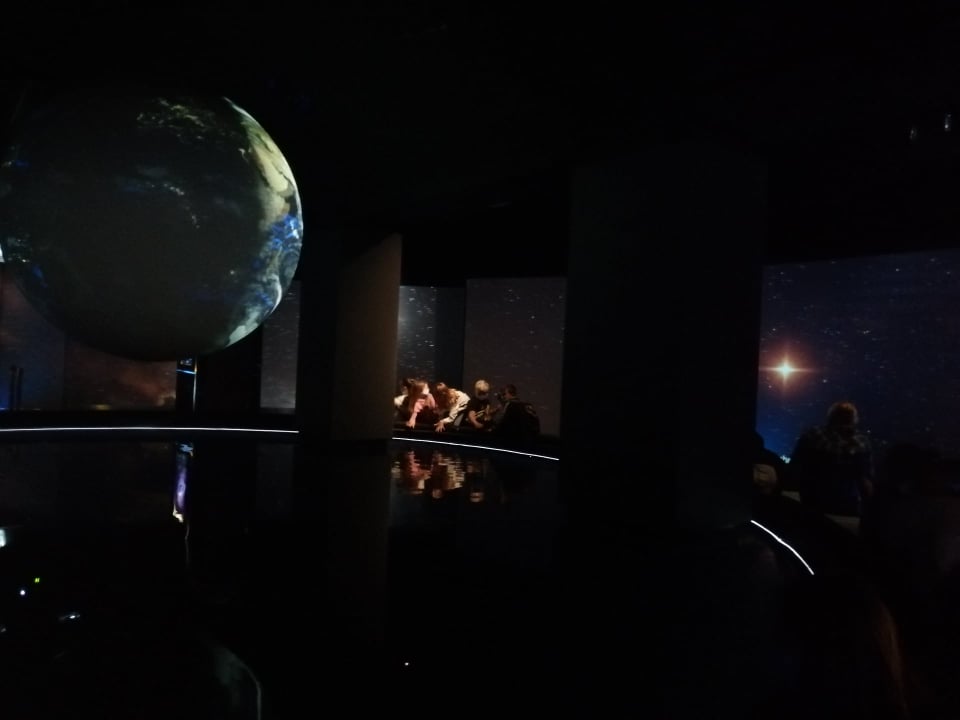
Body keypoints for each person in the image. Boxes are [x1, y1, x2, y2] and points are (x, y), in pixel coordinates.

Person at [790, 401, 874, 517]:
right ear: (854, 419)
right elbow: (865, 479)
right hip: (847, 504)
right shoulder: (862, 442)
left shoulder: (813, 435)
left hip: (813, 500)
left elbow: (796, 465)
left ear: (831, 416)